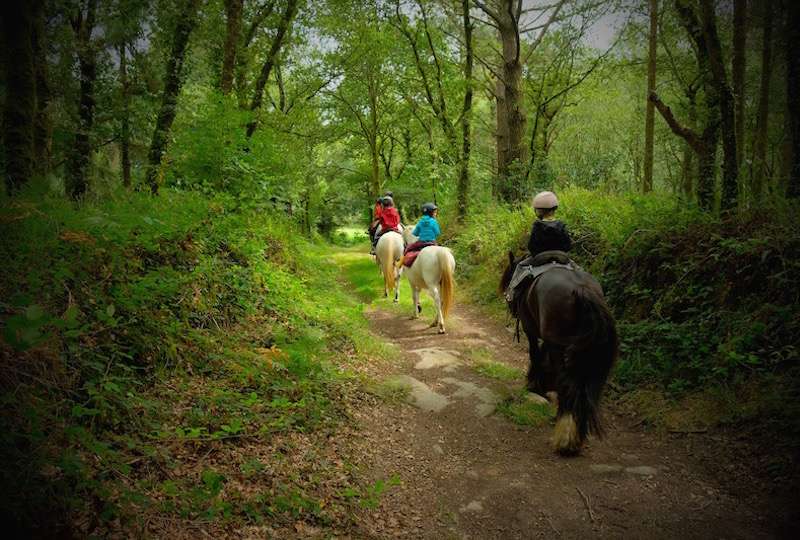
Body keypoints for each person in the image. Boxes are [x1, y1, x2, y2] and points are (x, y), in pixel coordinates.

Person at [505, 191, 573, 306]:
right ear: (554, 209)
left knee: (520, 266)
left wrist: (537, 252)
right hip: (561, 257)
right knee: (578, 270)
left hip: (541, 258)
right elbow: (568, 245)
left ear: (539, 210)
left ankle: (510, 293)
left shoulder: (537, 225)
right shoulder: (561, 224)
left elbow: (532, 246)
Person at [400, 202, 440, 267]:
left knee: (407, 248)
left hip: (421, 243)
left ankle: (399, 264)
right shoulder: (434, 222)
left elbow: (415, 233)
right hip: (432, 242)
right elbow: (437, 233)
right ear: (430, 213)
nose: (435, 214)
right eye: (434, 212)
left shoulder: (420, 222)